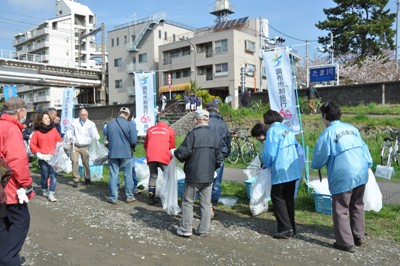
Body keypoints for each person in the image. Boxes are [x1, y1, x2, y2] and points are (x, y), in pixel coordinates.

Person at [311, 101, 372, 253]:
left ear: (325, 116)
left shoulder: (328, 133)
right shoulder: (352, 128)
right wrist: (369, 163)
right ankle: (358, 236)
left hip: (343, 173)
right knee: (357, 204)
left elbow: (320, 156)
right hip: (361, 170)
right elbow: (364, 148)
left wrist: (316, 165)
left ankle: (345, 243)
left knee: (341, 208)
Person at [174, 109, 223, 237]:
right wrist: (213, 168)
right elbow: (220, 158)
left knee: (188, 202)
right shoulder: (215, 135)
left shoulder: (192, 135)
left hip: (193, 175)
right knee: (206, 204)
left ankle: (186, 229)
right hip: (208, 176)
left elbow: (182, 154)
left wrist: (174, 153)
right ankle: (203, 230)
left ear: (195, 121)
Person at [0, 97, 35, 265]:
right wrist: (27, 184)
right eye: (25, 111)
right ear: (20, 111)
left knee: (3, 221)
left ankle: (4, 256)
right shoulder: (11, 129)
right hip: (9, 185)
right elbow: (17, 161)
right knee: (21, 220)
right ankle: (8, 259)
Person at [261, 109, 303, 239]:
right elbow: (298, 147)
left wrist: (265, 163)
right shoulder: (288, 129)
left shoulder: (272, 131)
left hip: (281, 168)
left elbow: (269, 153)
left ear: (268, 121)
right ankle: (292, 227)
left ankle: (285, 229)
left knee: (277, 197)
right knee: (288, 198)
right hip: (293, 168)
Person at [106, 107, 137, 204]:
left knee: (114, 174)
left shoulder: (109, 123)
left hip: (113, 153)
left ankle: (113, 197)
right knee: (128, 175)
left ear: (119, 113)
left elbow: (107, 138)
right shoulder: (130, 124)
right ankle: (129, 196)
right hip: (126, 153)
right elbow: (133, 141)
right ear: (127, 115)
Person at [205, 102, 231, 217]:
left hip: (205, 154)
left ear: (206, 110)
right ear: (217, 110)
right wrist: (227, 153)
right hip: (220, 155)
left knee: (205, 180)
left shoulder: (204, 122)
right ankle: (213, 205)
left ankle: (205, 204)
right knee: (216, 182)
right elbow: (228, 140)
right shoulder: (223, 124)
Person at [30, 112, 62, 202]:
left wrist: (59, 147)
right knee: (45, 175)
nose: (48, 120)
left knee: (53, 175)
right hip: (42, 157)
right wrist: (37, 152)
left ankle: (51, 193)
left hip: (53, 156)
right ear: (41, 120)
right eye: (45, 118)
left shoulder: (53, 130)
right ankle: (44, 188)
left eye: (48, 118)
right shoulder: (36, 132)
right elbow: (32, 144)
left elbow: (58, 140)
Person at [144, 119, 176, 204]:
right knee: (168, 177)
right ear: (167, 124)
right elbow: (172, 146)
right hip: (163, 156)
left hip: (151, 156)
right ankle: (167, 198)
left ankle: (151, 196)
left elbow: (145, 144)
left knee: (153, 176)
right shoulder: (170, 130)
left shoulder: (150, 129)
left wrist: (149, 153)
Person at [65, 108, 100, 187]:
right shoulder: (74, 122)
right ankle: (76, 179)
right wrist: (70, 137)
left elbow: (94, 132)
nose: (84, 116)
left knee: (86, 162)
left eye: (85, 115)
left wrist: (97, 137)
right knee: (74, 161)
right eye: (82, 115)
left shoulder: (91, 123)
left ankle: (87, 178)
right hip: (75, 145)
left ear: (87, 115)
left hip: (85, 145)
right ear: (79, 115)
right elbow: (69, 131)